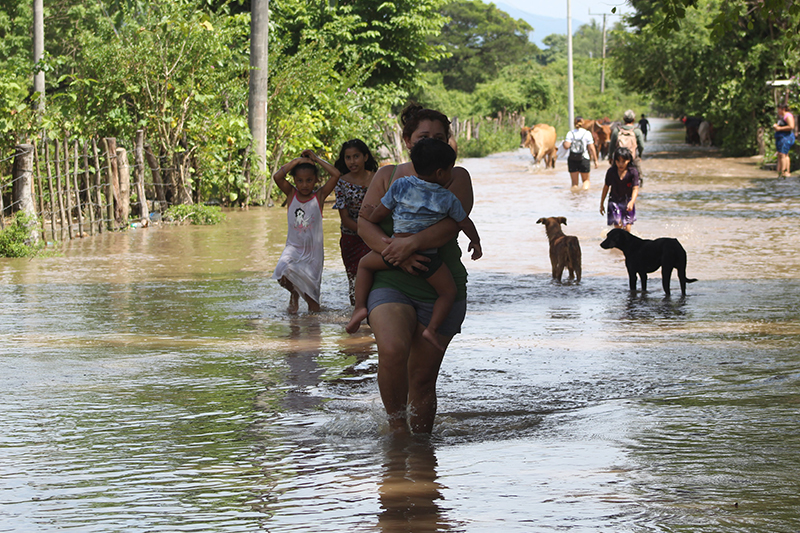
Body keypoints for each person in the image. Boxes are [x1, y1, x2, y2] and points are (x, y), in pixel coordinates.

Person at [358, 103, 474, 436]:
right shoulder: (387, 175)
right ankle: (397, 430)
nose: (434, 141)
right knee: (393, 349)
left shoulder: (455, 176)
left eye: (441, 136)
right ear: (408, 140)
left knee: (422, 378)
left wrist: (412, 243)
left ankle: (422, 451)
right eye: (425, 136)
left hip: (440, 281)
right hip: (391, 279)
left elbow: (454, 224)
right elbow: (367, 222)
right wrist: (396, 253)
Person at [346, 138, 482, 351]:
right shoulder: (447, 198)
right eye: (449, 171)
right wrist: (475, 241)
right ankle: (432, 328)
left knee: (364, 265)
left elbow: (380, 213)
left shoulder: (400, 185)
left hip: (392, 252)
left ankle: (360, 308)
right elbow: (464, 222)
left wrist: (368, 215)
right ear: (440, 173)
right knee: (448, 293)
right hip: (428, 258)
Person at [271, 150, 341, 313]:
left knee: (314, 308)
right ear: (294, 180)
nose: (304, 185)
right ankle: (294, 292)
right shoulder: (291, 194)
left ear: (316, 180)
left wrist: (316, 159)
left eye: (309, 180)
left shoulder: (320, 196)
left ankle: (312, 335)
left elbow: (336, 175)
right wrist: (296, 161)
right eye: (300, 181)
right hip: (293, 248)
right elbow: (277, 177)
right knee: (281, 273)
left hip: (313, 255)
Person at [332, 139, 379, 304]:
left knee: (376, 281)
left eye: (356, 156)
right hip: (351, 238)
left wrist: (374, 235)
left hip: (376, 237)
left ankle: (374, 317)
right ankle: (357, 322)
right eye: (348, 157)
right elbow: (345, 219)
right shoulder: (341, 182)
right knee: (354, 282)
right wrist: (366, 231)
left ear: (366, 157)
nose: (352, 162)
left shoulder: (378, 179)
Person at [600, 147, 640, 232]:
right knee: (617, 224)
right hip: (614, 200)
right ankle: (617, 244)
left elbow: (635, 188)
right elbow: (606, 187)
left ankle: (626, 244)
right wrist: (601, 203)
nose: (620, 164)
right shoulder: (611, 172)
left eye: (623, 161)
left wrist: (632, 202)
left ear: (628, 160)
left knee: (627, 228)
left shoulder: (633, 172)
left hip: (628, 201)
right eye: (618, 161)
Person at [563, 116, 598, 190]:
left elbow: (566, 146)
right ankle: (584, 197)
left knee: (574, 183)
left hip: (572, 159)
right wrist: (595, 160)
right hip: (584, 159)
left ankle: (575, 198)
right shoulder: (587, 133)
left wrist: (564, 143)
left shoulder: (570, 133)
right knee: (586, 181)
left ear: (574, 123)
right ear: (583, 123)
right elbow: (591, 148)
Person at [773, 104, 795, 178]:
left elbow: (791, 126)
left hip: (786, 137)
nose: (777, 111)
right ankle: (781, 171)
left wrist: (779, 129)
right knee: (781, 154)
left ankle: (784, 171)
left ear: (783, 109)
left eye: (779, 109)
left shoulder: (788, 116)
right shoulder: (781, 117)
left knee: (783, 154)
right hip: (781, 137)